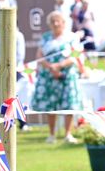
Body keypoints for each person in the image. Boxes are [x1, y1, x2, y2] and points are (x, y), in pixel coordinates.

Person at [31, 11, 82, 144]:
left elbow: (75, 57)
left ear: (64, 23)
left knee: (68, 104)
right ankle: (51, 134)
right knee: (51, 105)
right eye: (52, 21)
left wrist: (59, 66)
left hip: (67, 74)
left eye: (57, 20)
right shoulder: (46, 37)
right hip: (48, 75)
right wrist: (51, 67)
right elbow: (39, 56)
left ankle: (68, 134)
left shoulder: (71, 37)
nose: (55, 23)